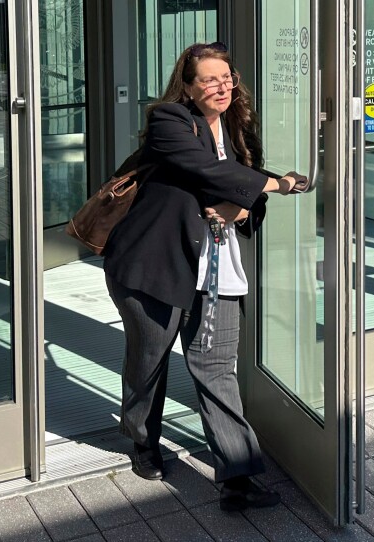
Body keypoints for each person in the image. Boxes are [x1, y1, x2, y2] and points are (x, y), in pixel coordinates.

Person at [103, 41, 306, 512]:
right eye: (210, 79)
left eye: (228, 77)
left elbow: (239, 187)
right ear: (188, 86)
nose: (223, 86)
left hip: (217, 271)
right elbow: (205, 171)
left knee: (217, 372)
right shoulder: (169, 121)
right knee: (148, 363)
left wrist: (243, 205)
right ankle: (143, 441)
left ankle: (237, 477)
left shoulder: (238, 131)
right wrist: (274, 185)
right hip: (154, 265)